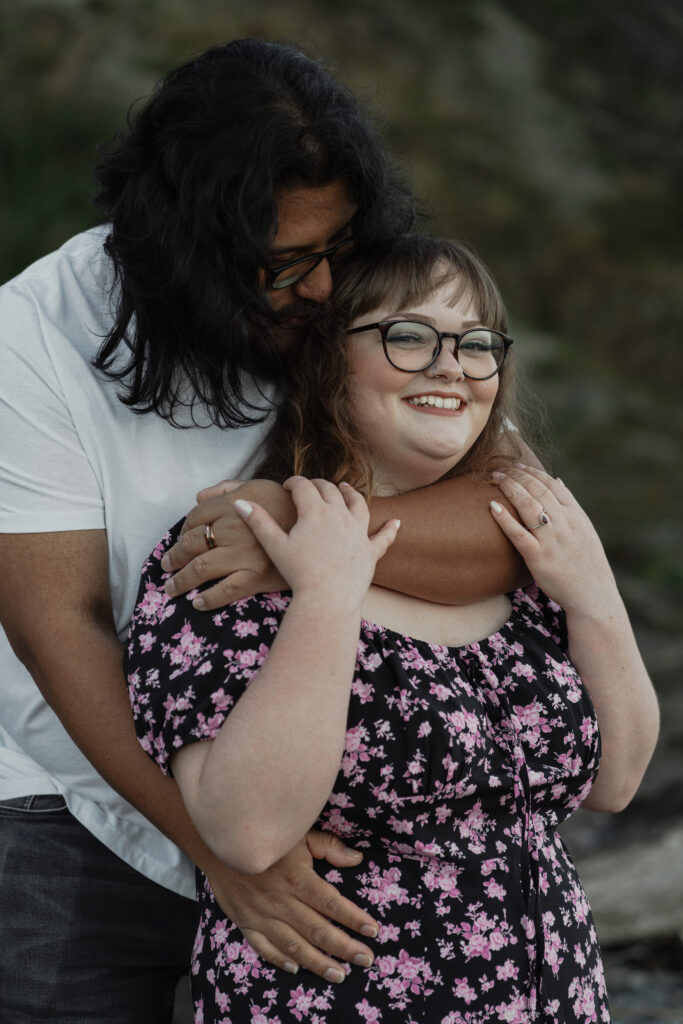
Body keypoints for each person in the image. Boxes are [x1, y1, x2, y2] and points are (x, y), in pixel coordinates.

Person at [0, 40, 528, 1023]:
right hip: (75, 809)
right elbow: (55, 623)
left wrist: (304, 520)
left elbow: (514, 519)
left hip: (324, 803)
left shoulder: (357, 300)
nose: (322, 289)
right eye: (284, 265)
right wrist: (219, 851)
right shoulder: (30, 339)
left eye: (337, 250)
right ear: (186, 246)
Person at [125, 235, 659, 1023]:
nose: (451, 367)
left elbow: (613, 782)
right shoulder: (234, 550)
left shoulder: (519, 552)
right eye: (408, 336)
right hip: (341, 998)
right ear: (323, 359)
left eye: (476, 344)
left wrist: (590, 594)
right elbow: (246, 831)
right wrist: (326, 597)